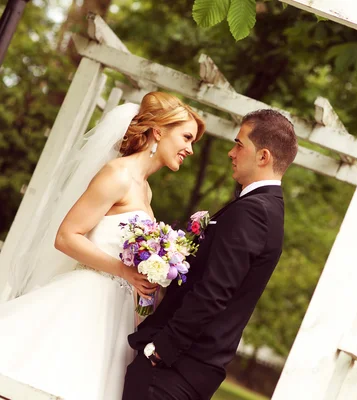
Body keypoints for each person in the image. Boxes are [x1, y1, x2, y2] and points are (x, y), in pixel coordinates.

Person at [0, 92, 205, 400]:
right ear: (159, 131)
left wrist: (147, 293)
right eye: (186, 137)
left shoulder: (145, 191)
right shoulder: (117, 174)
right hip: (83, 305)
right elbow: (67, 236)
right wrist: (124, 271)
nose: (189, 149)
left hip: (116, 317)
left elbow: (134, 271)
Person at [124, 109, 298, 400]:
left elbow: (214, 292)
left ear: (263, 157)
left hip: (174, 370)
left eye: (240, 144)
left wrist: (160, 350)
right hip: (184, 369)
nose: (231, 153)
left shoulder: (254, 212)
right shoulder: (264, 208)